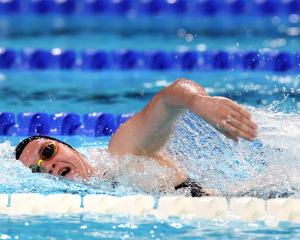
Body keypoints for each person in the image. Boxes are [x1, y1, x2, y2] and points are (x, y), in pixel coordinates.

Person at [15, 78, 258, 197]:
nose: (48, 166)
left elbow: (169, 97)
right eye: (37, 169)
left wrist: (199, 102)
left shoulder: (121, 154)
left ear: (70, 148)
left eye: (47, 152)